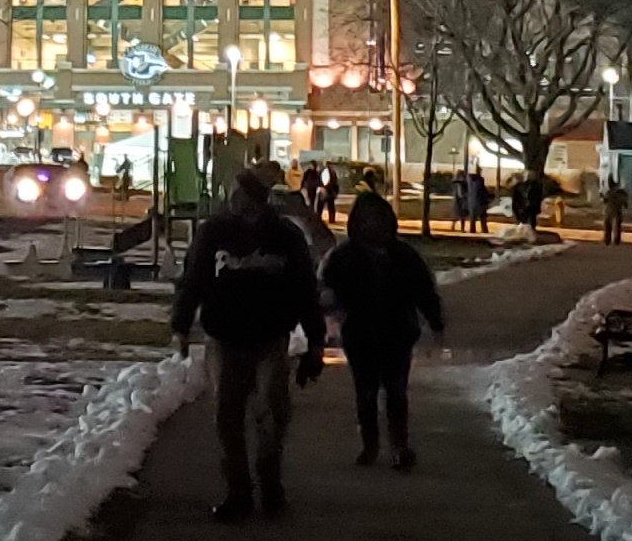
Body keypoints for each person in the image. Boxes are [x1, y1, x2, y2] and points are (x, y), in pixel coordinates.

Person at [170, 169, 327, 522]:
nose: (235, 200)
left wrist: (315, 337)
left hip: (269, 335)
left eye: (241, 194)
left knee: (272, 410)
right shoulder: (213, 233)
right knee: (228, 414)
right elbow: (193, 277)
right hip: (224, 335)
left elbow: (304, 288)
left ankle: (270, 484)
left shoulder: (285, 237)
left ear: (257, 198)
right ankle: (237, 492)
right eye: (233, 194)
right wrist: (181, 323)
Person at [319, 192, 445, 469]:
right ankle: (370, 444)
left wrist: (435, 320)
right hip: (359, 332)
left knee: (396, 390)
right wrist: (328, 310)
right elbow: (326, 289)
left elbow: (423, 289)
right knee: (365, 391)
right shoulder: (343, 256)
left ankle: (399, 445)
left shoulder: (403, 255)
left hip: (397, 331)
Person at [602, 181, 630, 246]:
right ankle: (616, 241)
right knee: (616, 227)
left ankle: (607, 240)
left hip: (608, 212)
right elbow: (625, 204)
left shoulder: (609, 193)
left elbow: (604, 201)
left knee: (608, 226)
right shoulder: (621, 194)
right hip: (616, 212)